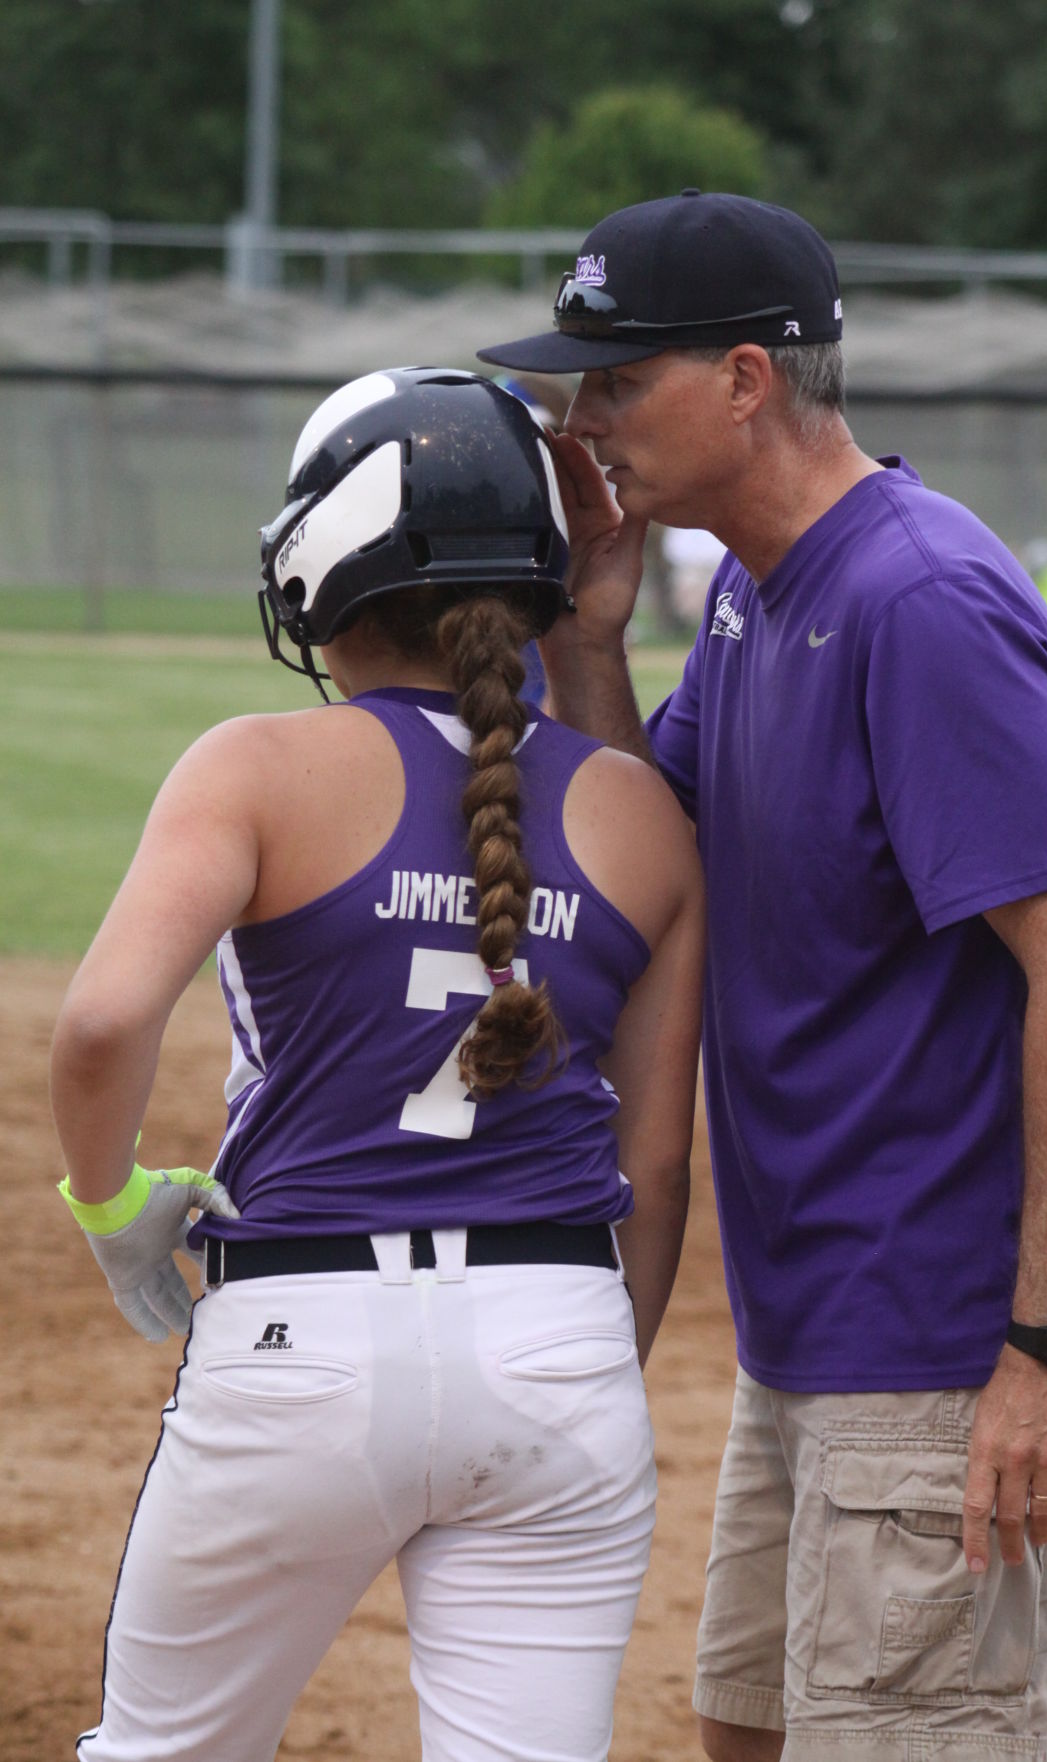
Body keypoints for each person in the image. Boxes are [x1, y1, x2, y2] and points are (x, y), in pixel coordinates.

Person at [477, 191, 1047, 1762]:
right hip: (808, 1332)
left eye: (614, 381)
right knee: (749, 1729)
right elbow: (662, 859)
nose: (584, 424)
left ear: (743, 380)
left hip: (928, 1341)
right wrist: (590, 635)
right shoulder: (753, 588)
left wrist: (1043, 1354)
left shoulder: (918, 602)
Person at [50, 366, 704, 1762]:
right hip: (558, 1339)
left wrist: (116, 1214)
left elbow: (103, 1026)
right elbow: (652, 1163)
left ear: (316, 574)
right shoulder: (641, 811)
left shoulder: (255, 765)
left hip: (301, 1337)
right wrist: (577, 1366)